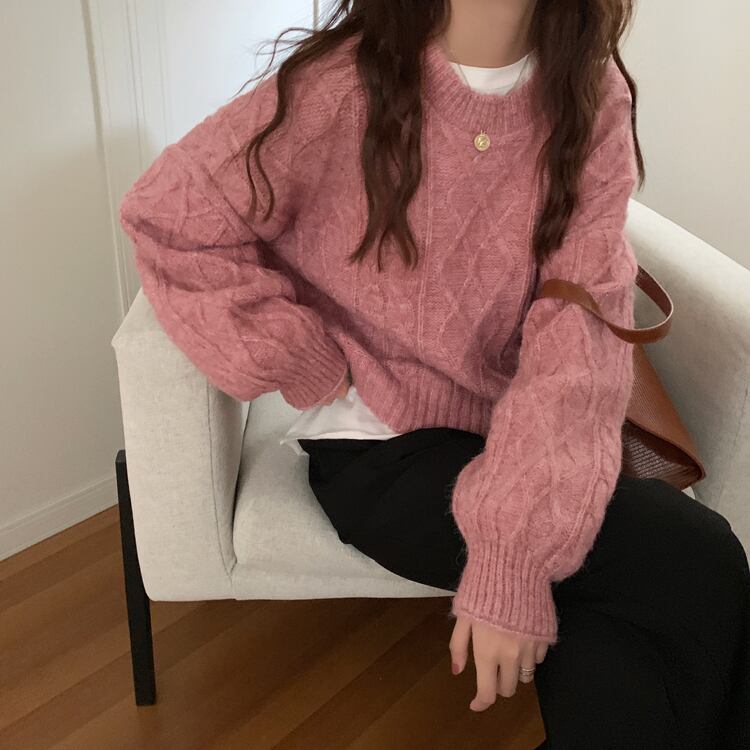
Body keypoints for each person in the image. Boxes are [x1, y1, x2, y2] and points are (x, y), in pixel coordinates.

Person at [118, 1, 750, 746]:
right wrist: (299, 354)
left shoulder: (590, 91)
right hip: (377, 445)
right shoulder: (344, 82)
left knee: (636, 598)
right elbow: (170, 216)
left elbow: (576, 330)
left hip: (515, 429)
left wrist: (518, 544)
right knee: (695, 556)